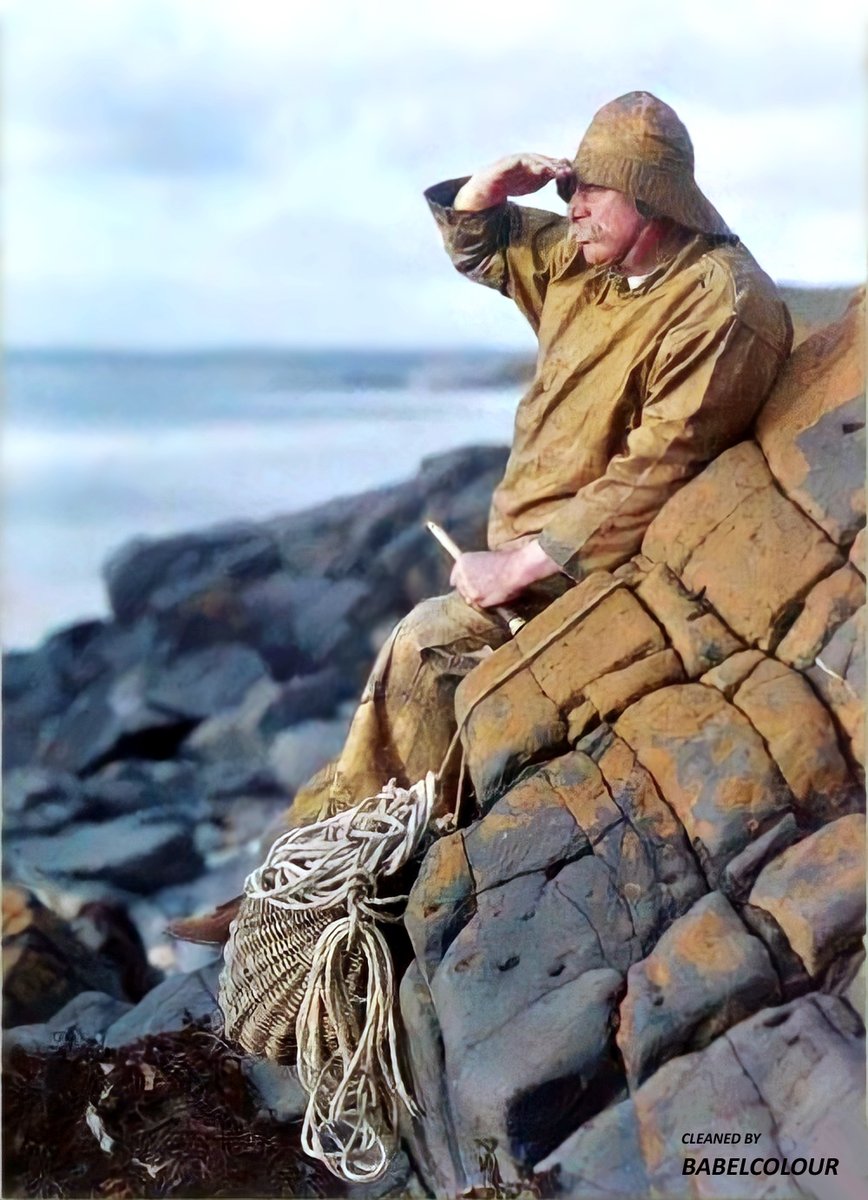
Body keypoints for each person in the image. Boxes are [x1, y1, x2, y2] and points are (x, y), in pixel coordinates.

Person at [172, 90, 792, 944]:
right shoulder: (590, 260)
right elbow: (488, 248)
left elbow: (661, 470)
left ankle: (302, 896)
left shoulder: (720, 305)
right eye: (569, 188)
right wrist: (483, 191)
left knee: (424, 646)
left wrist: (524, 562)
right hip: (529, 555)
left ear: (652, 200)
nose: (569, 208)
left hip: (597, 573)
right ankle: (308, 870)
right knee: (405, 678)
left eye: (591, 190)